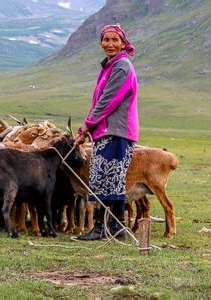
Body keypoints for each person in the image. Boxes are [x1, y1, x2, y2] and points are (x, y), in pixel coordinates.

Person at [74, 24, 139, 241]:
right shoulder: (111, 66)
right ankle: (117, 227)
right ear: (101, 42)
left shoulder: (121, 67)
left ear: (122, 43)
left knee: (105, 178)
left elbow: (107, 101)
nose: (109, 44)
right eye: (106, 40)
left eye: (114, 40)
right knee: (113, 178)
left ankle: (101, 228)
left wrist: (86, 126)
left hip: (115, 130)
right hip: (111, 130)